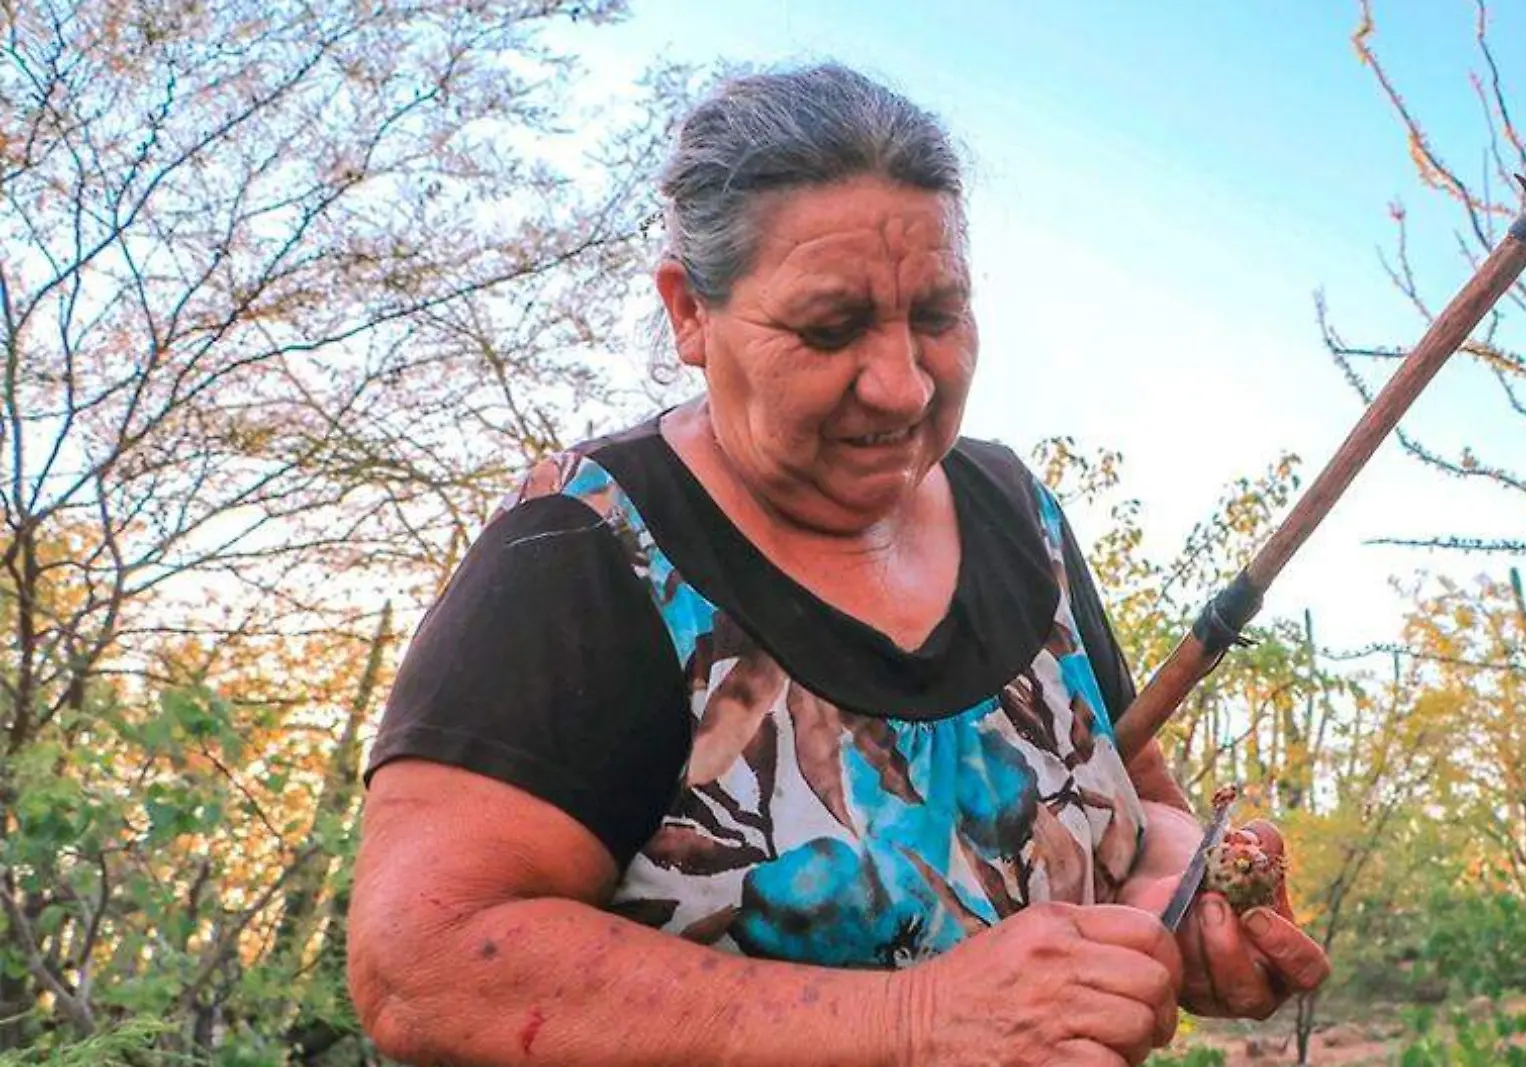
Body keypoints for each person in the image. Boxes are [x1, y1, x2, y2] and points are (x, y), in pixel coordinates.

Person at [347, 63, 1331, 1067]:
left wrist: (1190, 889)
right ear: (690, 312)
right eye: (831, 327)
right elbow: (426, 961)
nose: (904, 386)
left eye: (939, 316)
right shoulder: (588, 548)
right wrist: (912, 1022)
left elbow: (1131, 789)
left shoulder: (1015, 514)